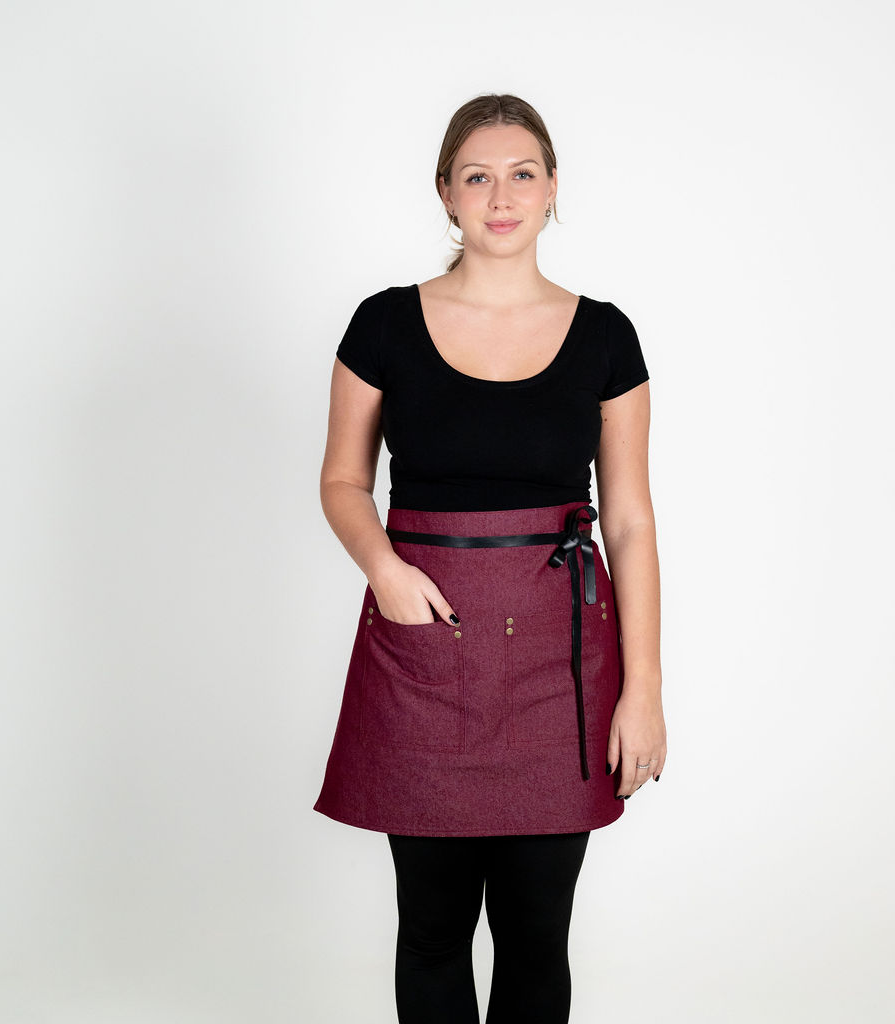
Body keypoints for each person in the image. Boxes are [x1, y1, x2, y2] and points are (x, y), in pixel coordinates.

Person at [313, 93, 665, 1024]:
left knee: (536, 932)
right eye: (477, 177)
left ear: (552, 189)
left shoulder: (606, 334)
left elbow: (630, 523)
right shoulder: (383, 324)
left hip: (562, 661)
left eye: (521, 174)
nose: (500, 197)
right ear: (446, 193)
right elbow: (343, 481)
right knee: (431, 928)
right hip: (422, 642)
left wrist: (644, 689)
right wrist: (387, 572)